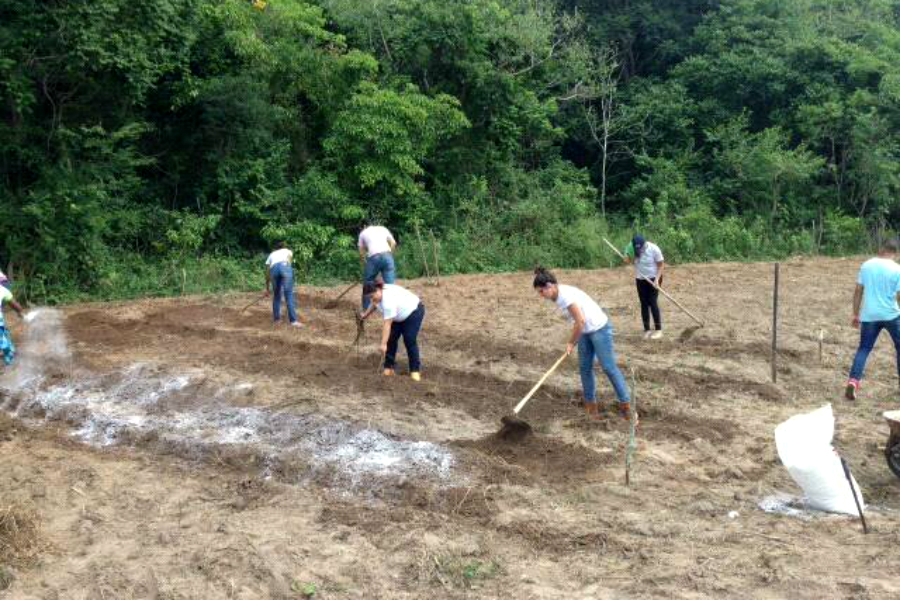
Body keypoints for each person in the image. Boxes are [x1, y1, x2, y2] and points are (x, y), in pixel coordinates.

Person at [533, 267, 632, 420]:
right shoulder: (558, 294)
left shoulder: (565, 296)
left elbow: (580, 321)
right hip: (586, 331)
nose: (541, 296)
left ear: (550, 286)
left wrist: (571, 343)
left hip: (599, 329)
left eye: (541, 291)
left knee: (608, 367)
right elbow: (580, 322)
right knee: (585, 367)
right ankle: (591, 408)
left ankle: (627, 407)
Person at [845, 240, 900, 400]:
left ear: (881, 249)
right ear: (894, 253)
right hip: (891, 315)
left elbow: (858, 290)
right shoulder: (897, 269)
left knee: (864, 349)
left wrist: (855, 314)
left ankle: (853, 382)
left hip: (869, 315)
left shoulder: (866, 265)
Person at [359, 281, 425, 381]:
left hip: (413, 311)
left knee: (409, 339)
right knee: (391, 338)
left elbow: (387, 324)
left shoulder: (387, 300)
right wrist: (365, 315)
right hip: (397, 315)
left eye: (372, 296)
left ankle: (415, 370)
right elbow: (373, 304)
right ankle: (388, 368)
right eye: (370, 297)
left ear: (378, 290)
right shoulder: (377, 295)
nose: (372, 299)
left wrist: (383, 344)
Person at [624, 234, 665, 339]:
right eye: (637, 248)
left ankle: (658, 330)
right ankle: (646, 330)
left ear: (644, 244)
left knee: (652, 302)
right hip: (640, 278)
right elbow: (627, 259)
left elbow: (661, 265)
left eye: (641, 248)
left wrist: (656, 280)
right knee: (643, 303)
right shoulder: (631, 247)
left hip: (654, 278)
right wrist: (627, 258)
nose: (639, 250)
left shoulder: (654, 249)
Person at [359, 223, 397, 309]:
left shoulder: (362, 233)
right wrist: (389, 256)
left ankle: (366, 307)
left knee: (368, 282)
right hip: (388, 256)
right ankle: (391, 307)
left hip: (374, 257)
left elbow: (361, 253)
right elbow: (393, 244)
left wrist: (365, 264)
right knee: (390, 285)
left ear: (364, 227)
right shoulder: (383, 228)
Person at [264, 241, 302, 328]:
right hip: (285, 267)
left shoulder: (271, 254)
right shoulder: (288, 251)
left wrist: (267, 288)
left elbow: (267, 272)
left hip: (273, 271)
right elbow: (289, 264)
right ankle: (293, 321)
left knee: (277, 296)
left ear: (276, 248)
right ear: (284, 247)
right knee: (288, 295)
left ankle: (277, 320)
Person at [0, 285, 25, 366]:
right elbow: (16, 306)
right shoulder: (2, 289)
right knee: (6, 346)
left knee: (4, 338)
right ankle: (11, 365)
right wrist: (20, 312)